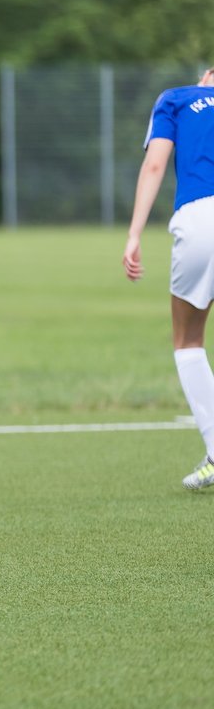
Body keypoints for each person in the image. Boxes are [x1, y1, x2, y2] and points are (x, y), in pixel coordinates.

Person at [123, 66, 214, 490]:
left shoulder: (176, 98)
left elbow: (155, 165)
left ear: (205, 77)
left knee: (188, 341)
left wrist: (134, 234)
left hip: (199, 220)